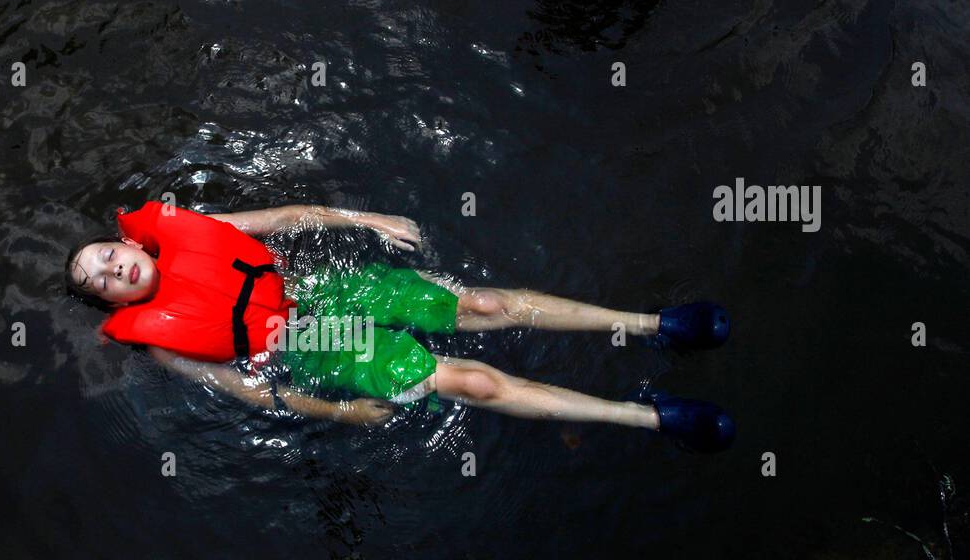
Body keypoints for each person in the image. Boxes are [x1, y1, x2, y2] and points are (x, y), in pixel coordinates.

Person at [65, 201, 734, 451]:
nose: (109, 270)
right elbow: (243, 390)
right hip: (307, 343)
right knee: (467, 378)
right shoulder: (156, 339)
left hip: (321, 286)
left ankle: (654, 323)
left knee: (486, 307)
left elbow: (287, 215)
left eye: (106, 256)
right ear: (111, 305)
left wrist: (367, 220)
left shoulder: (197, 230)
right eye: (97, 280)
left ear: (132, 246)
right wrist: (338, 409)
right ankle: (650, 417)